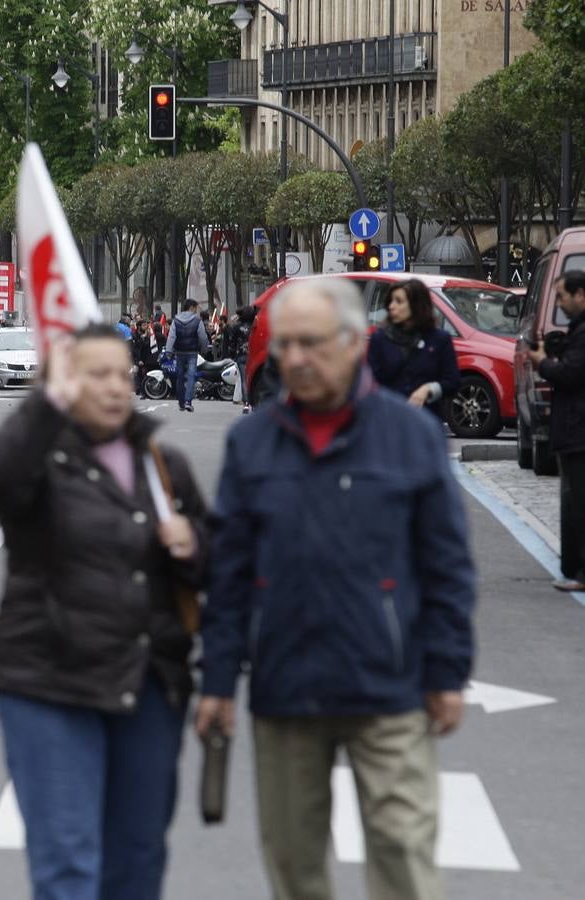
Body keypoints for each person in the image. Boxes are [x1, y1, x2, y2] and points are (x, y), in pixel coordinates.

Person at [197, 278, 475, 900]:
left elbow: (448, 568)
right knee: (295, 867)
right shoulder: (251, 441)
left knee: (404, 857)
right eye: (286, 344)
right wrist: (217, 681)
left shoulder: (411, 438)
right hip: (286, 688)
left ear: (355, 344)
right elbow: (229, 574)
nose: (294, 358)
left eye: (312, 343)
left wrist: (447, 671)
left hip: (390, 687)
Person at [0, 324, 208, 899]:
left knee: (137, 861)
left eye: (120, 374)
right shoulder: (38, 461)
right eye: (94, 374)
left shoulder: (161, 464)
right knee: (67, 866)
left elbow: (218, 564)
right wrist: (46, 402)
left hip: (148, 686)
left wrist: (193, 541)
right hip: (49, 683)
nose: (112, 387)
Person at [527, 270, 585, 591]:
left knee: (580, 502)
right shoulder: (577, 331)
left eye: (562, 296)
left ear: (581, 295)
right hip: (573, 429)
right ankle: (574, 568)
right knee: (574, 500)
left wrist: (542, 363)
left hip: (579, 430)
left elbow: (572, 375)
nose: (559, 304)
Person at [366, 280, 459, 425]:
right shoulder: (380, 339)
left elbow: (452, 382)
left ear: (416, 304)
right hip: (388, 422)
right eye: (391, 301)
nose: (391, 306)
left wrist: (428, 389)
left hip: (426, 422)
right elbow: (370, 382)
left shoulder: (439, 339)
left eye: (399, 301)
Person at [165, 300, 209, 412]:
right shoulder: (197, 321)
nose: (196, 311)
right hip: (192, 353)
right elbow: (203, 337)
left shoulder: (176, 321)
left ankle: (181, 402)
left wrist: (169, 351)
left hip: (179, 352)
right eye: (195, 308)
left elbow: (171, 337)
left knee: (180, 377)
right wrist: (204, 349)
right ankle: (188, 401)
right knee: (191, 376)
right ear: (191, 308)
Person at [220, 306, 257, 414]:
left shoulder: (237, 327)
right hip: (254, 355)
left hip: (241, 355)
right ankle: (254, 401)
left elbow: (232, 342)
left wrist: (233, 353)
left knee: (244, 380)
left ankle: (246, 404)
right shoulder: (255, 326)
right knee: (254, 379)